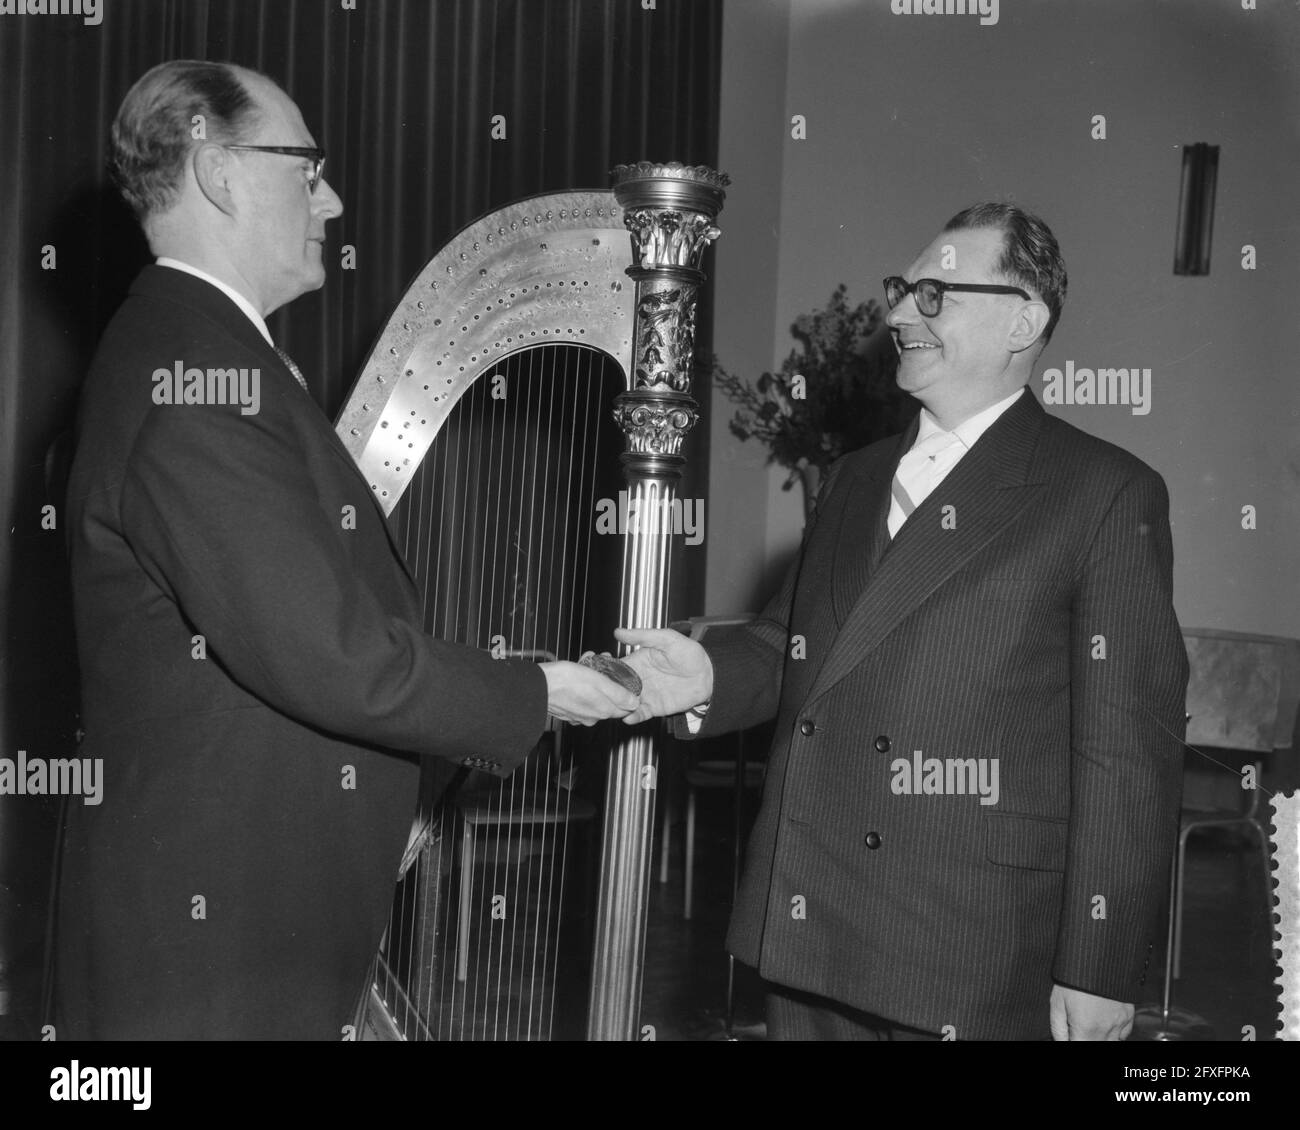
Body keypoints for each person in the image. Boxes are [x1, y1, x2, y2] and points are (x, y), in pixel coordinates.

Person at [55, 59, 636, 1040]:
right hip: (210, 946)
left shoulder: (208, 350)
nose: (332, 196)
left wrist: (400, 788)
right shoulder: (190, 373)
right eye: (306, 165)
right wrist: (542, 688)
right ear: (219, 170)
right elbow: (326, 652)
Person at [619, 203, 1188, 1041]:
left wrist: (1100, 964)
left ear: (1023, 321)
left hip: (971, 950)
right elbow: (796, 645)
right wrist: (707, 675)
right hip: (813, 919)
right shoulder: (854, 477)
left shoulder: (1103, 492)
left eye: (933, 295)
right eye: (900, 290)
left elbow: (1126, 748)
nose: (895, 316)